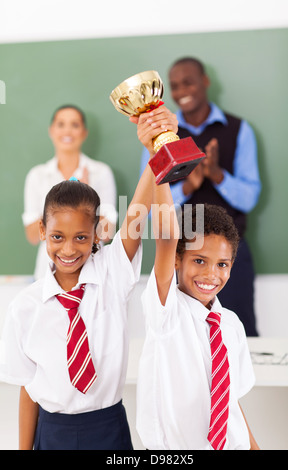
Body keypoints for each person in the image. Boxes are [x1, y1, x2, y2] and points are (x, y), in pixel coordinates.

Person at [0, 106, 178, 450]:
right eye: (57, 237)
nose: (69, 249)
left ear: (97, 233)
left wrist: (156, 147)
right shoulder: (25, 306)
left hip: (107, 427)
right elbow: (28, 389)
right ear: (42, 231)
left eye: (81, 237)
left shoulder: (111, 272)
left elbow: (138, 213)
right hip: (51, 432)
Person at [136, 138, 259, 448]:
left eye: (222, 264)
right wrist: (157, 156)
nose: (210, 274)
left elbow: (228, 400)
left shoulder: (229, 324)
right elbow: (166, 235)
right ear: (177, 259)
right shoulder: (166, 311)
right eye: (199, 261)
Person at [140, 58, 261, 336]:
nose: (182, 90)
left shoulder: (238, 130)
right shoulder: (160, 136)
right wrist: (187, 185)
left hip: (229, 256)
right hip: (180, 255)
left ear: (205, 81)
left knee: (238, 330)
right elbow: (147, 203)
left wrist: (218, 175)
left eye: (189, 81)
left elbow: (250, 197)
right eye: (175, 86)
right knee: (178, 334)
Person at [23, 104, 118, 280]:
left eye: (75, 125)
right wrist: (68, 202)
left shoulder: (100, 172)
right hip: (48, 274)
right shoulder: (37, 176)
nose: (67, 131)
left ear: (84, 132)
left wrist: (86, 196)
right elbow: (32, 235)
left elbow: (107, 232)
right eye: (61, 124)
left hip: (93, 272)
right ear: (51, 130)